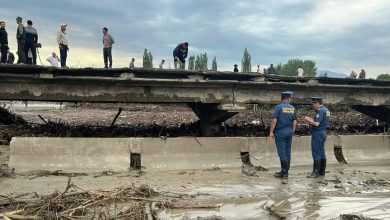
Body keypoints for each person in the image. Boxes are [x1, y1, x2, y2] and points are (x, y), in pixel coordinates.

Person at [269, 91, 298, 179]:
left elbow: (274, 121)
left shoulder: (278, 107)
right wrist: (292, 131)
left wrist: (271, 132)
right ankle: (284, 171)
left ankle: (284, 173)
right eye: (290, 98)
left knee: (282, 153)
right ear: (288, 98)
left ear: (282, 98)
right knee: (287, 152)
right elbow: (295, 122)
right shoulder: (293, 108)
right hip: (289, 131)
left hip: (280, 132)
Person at [303, 97, 330, 178]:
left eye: (313, 104)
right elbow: (320, 121)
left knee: (316, 153)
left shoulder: (320, 111)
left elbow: (317, 124)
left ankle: (315, 172)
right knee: (322, 152)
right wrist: (311, 119)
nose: (313, 106)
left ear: (317, 103)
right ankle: (322, 171)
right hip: (323, 132)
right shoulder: (326, 110)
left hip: (318, 133)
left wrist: (308, 120)